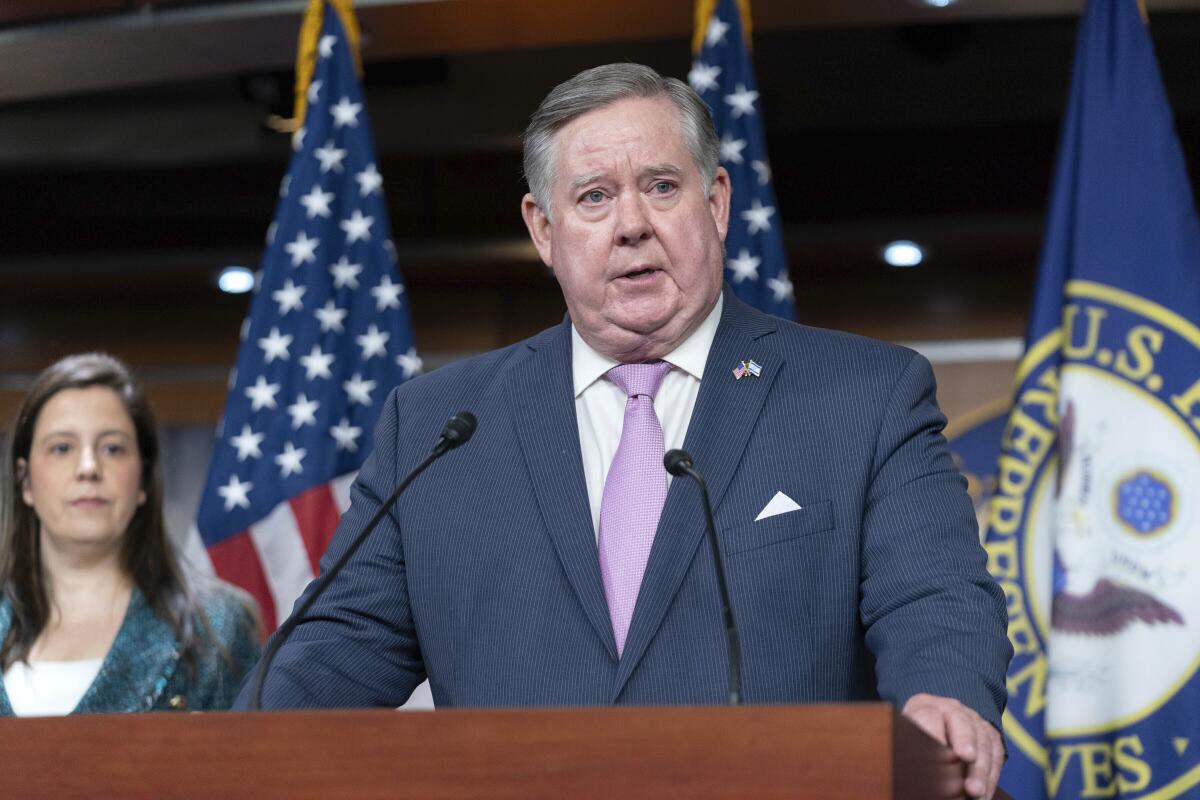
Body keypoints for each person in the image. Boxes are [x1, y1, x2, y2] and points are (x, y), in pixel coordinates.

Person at [239, 64, 1011, 798]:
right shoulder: (438, 428)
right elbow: (330, 652)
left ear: (716, 203)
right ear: (544, 230)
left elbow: (935, 594)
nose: (632, 225)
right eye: (595, 197)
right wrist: (218, 754)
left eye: (662, 187)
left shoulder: (864, 398)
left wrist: (944, 697)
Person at [0, 352, 260, 715]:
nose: (89, 467)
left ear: (143, 479)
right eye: (62, 448)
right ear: (24, 480)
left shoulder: (218, 626)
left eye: (112, 448)